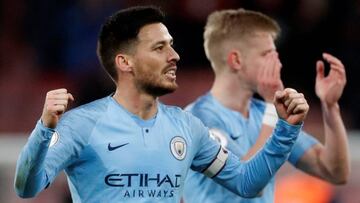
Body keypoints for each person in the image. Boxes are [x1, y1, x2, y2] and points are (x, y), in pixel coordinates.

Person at [14, 6, 310, 203]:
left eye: (171, 45)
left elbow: (246, 182)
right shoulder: (82, 124)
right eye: (160, 48)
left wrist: (285, 127)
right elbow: (27, 188)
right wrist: (45, 129)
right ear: (125, 62)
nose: (174, 56)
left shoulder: (186, 127)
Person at [183, 8, 349, 203]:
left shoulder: (266, 115)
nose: (278, 64)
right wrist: (273, 110)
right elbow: (246, 183)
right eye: (267, 54)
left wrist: (330, 106)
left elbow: (333, 171)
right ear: (236, 60)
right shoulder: (197, 119)